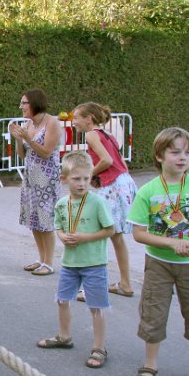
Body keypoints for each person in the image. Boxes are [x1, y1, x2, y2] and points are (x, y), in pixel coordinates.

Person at [127, 127, 189, 376]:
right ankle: (150, 365)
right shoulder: (148, 191)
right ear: (160, 155)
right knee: (153, 312)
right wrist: (174, 243)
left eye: (187, 151)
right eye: (175, 152)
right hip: (158, 263)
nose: (183, 157)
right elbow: (139, 233)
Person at [37, 151, 114, 368]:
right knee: (62, 300)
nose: (82, 184)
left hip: (94, 263)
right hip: (70, 264)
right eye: (76, 179)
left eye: (86, 179)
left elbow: (110, 230)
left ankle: (99, 347)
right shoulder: (62, 204)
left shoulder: (97, 202)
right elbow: (59, 227)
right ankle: (64, 336)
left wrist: (85, 237)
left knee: (96, 306)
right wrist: (62, 237)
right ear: (64, 179)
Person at [70, 102, 138, 301]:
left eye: (76, 118)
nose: (73, 122)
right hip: (122, 183)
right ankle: (125, 283)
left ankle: (92, 287)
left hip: (111, 187)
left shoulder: (91, 135)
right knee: (115, 237)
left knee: (93, 235)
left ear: (88, 119)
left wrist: (86, 176)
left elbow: (106, 160)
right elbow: (120, 162)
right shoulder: (108, 135)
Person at [10, 88, 63, 276]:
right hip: (31, 177)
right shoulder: (29, 124)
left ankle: (49, 262)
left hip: (47, 178)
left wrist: (27, 138)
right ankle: (41, 258)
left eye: (24, 103)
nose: (21, 107)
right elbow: (23, 154)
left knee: (45, 219)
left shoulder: (52, 123)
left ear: (34, 103)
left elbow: (46, 152)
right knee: (34, 219)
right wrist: (18, 140)